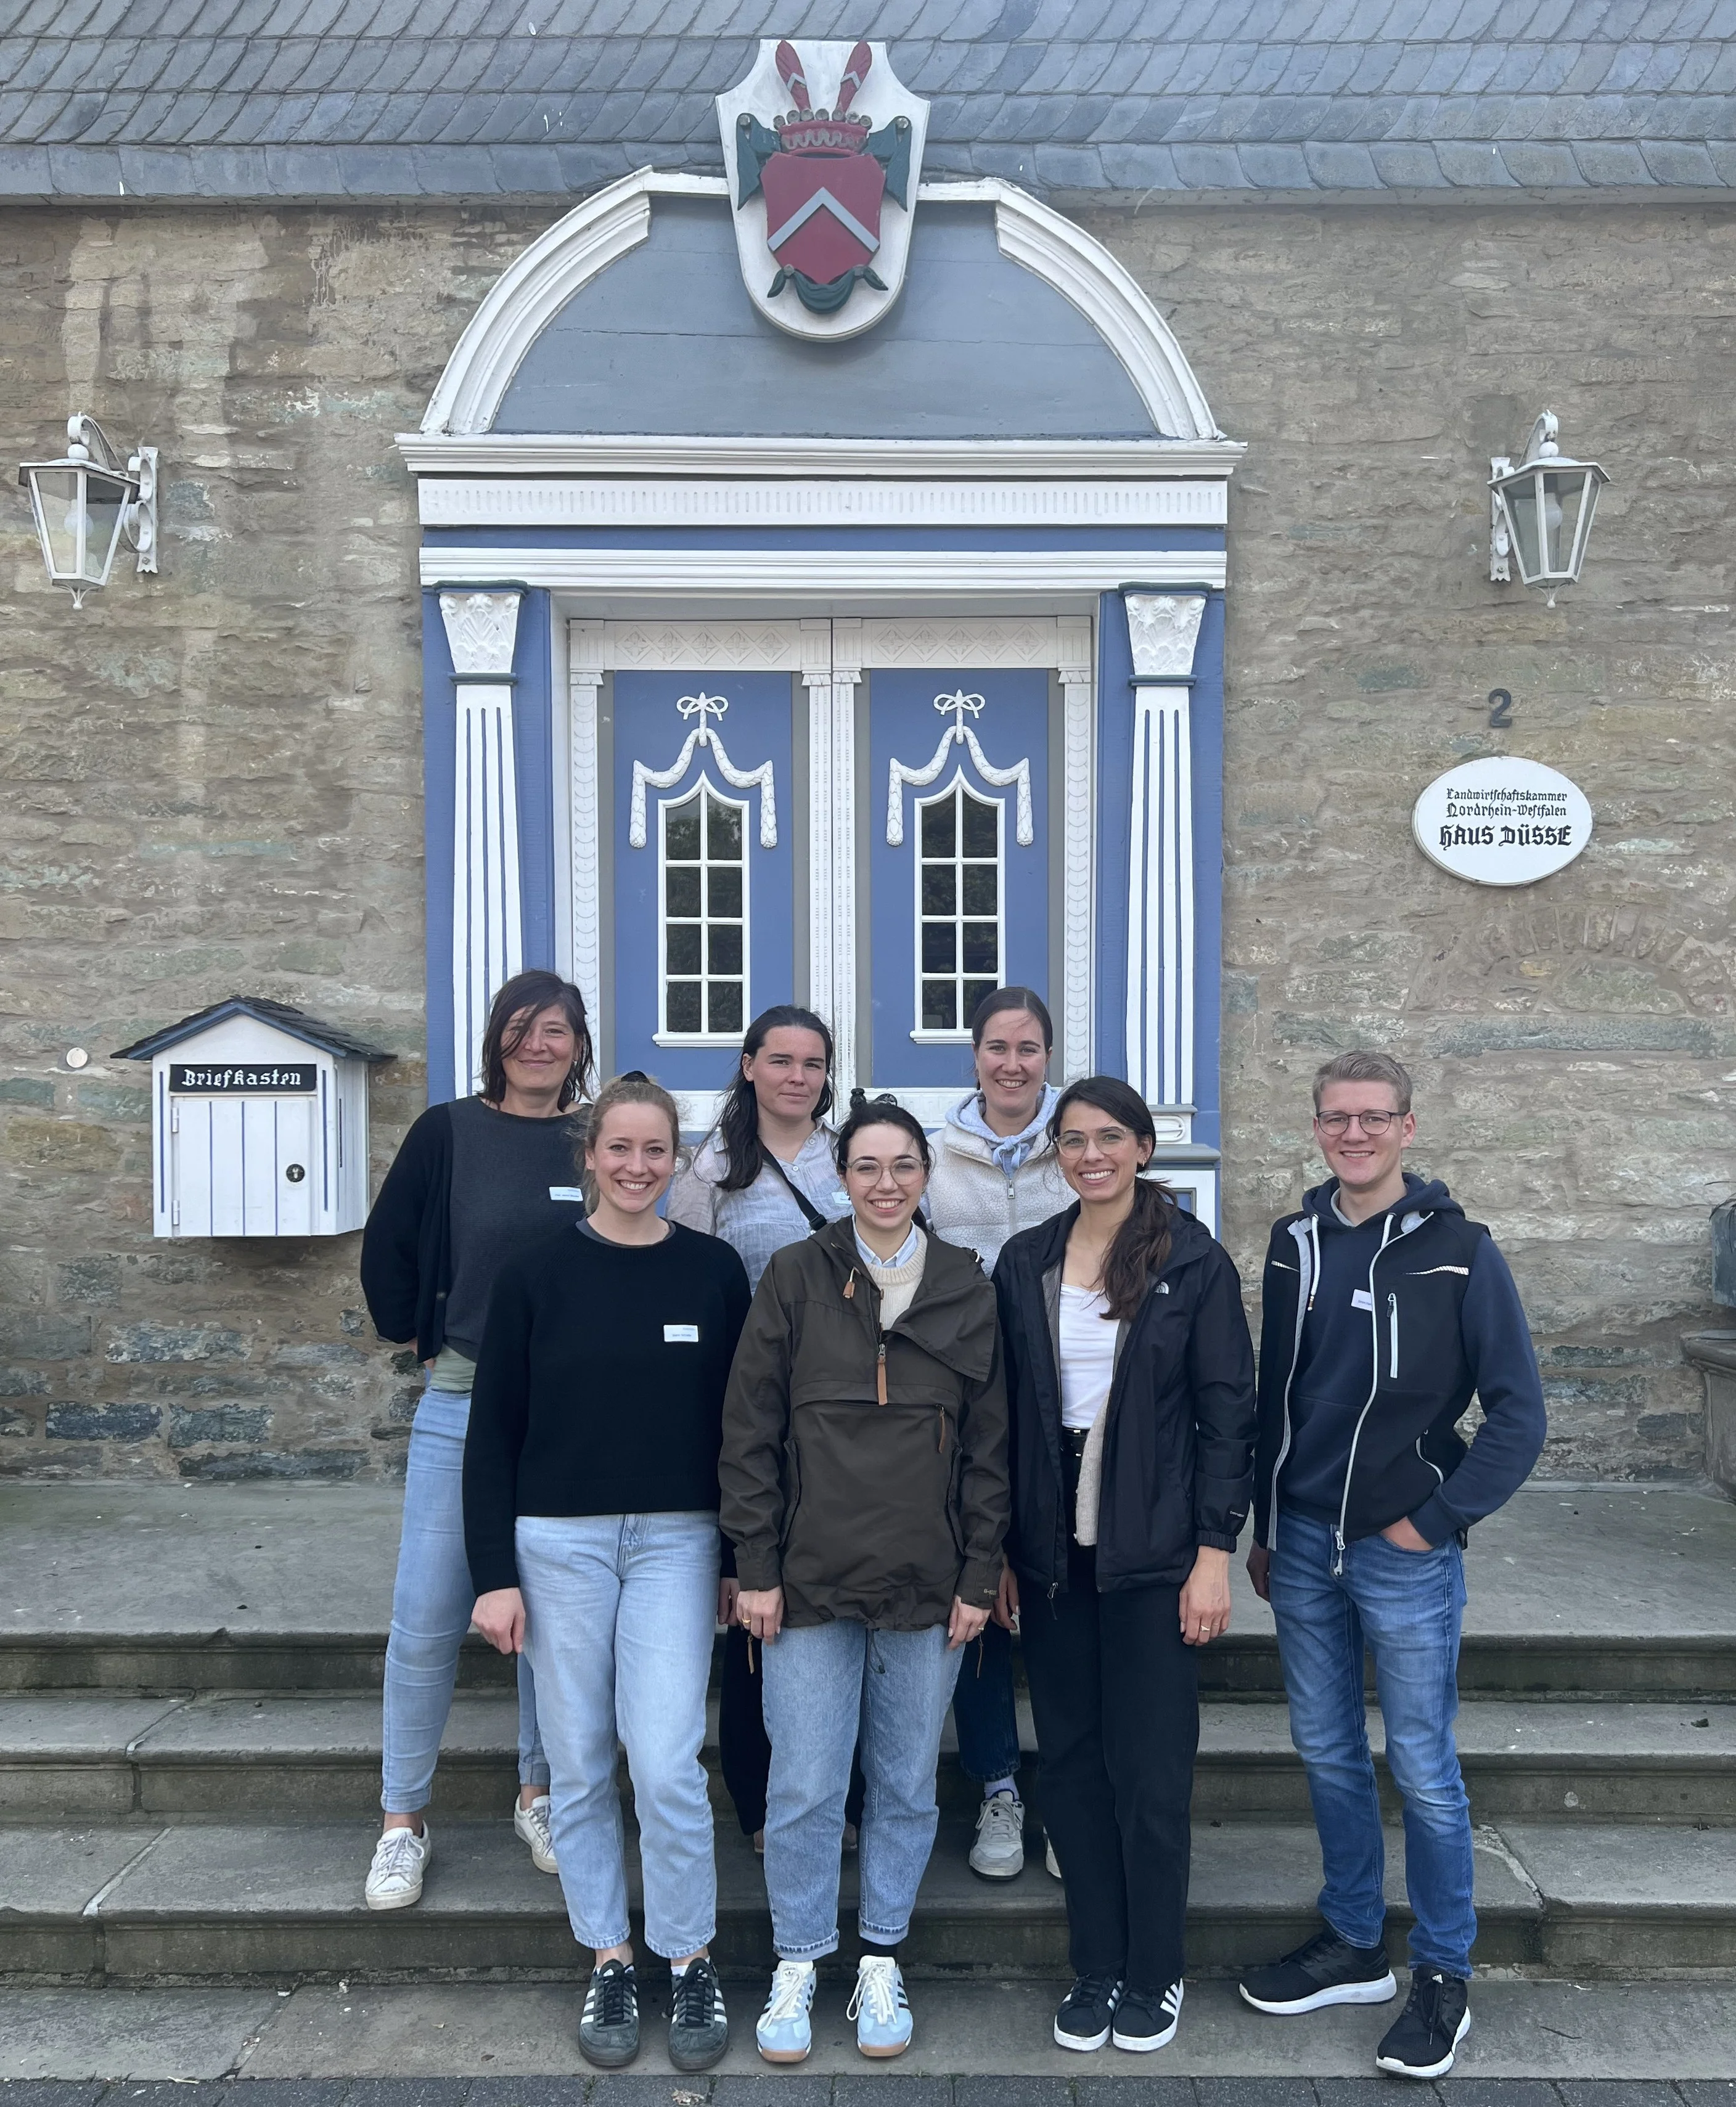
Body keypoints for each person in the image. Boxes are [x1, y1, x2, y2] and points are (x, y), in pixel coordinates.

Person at [1237, 1050, 1546, 2080]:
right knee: (1326, 1751)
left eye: (1374, 1117)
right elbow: (1279, 1393)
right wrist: (1266, 1524)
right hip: (1304, 1547)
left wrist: (1437, 1515)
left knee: (1421, 1764)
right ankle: (1357, 1942)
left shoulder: (1463, 1250)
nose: (1354, 1133)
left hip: (1400, 1550)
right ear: (1318, 1127)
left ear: (1409, 1127)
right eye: (1337, 1118)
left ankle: (1444, 1975)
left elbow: (1518, 1413)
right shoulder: (1292, 1243)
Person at [463, 1071, 751, 2074]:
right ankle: (611, 1954)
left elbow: (743, 1433)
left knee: (666, 1756)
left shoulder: (714, 1275)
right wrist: (493, 1573)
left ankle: (690, 1954)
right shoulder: (534, 1276)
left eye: (655, 1150)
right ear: (589, 1154)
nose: (637, 1167)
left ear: (679, 1160)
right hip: (558, 1546)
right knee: (581, 1758)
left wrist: (740, 1555)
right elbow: (490, 1436)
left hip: (680, 1539)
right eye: (618, 1148)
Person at [721, 1094, 1009, 2066]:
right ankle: (800, 1956)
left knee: (904, 1780)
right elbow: (749, 1433)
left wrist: (980, 1572)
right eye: (866, 1166)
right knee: (804, 1780)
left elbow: (989, 1448)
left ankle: (882, 1951)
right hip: (805, 1579)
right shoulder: (796, 1277)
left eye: (903, 1166)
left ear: (927, 1175)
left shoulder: (968, 1282)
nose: (886, 1183)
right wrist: (752, 1566)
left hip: (928, 1582)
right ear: (840, 1178)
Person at [994, 1075, 1256, 2056]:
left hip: (1155, 1549)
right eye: (1073, 1139)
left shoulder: (1193, 1260)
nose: (1090, 1153)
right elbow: (1009, 1418)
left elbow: (1230, 1413)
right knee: (1068, 1766)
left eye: (1110, 1137)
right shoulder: (1027, 1259)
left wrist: (1214, 1553)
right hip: (1053, 1549)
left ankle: (1155, 1971)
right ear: (1055, 1153)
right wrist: (1006, 1551)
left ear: (1145, 1147)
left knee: (1149, 1772)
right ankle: (1096, 1964)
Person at [357, 968, 592, 1912]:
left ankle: (539, 1794)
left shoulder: (595, 1138)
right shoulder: (449, 1131)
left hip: (569, 1410)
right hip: (462, 1397)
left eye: (558, 1031)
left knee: (551, 1620)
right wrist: (412, 1324)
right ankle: (401, 1820)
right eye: (524, 1029)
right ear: (497, 1037)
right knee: (427, 1613)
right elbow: (391, 1244)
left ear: (580, 1045)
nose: (539, 1045)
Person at [666, 1007, 862, 1854]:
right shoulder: (708, 1170)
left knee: (835, 1601)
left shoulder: (847, 1157)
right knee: (758, 1601)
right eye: (779, 1060)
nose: (797, 1076)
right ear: (747, 1066)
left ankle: (840, 1794)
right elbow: (684, 1284)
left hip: (847, 1412)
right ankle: (757, 1795)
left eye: (813, 1063)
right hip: (749, 1409)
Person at [923, 986, 1069, 1881]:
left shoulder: (1081, 1145)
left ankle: (1064, 1786)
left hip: (1068, 1414)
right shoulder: (935, 1160)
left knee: (1054, 1604)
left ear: (1049, 1055)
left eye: (1028, 1047)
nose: (1012, 1063)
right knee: (977, 1603)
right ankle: (999, 1785)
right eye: (996, 1047)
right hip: (967, 1410)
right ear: (973, 1055)